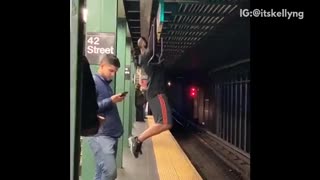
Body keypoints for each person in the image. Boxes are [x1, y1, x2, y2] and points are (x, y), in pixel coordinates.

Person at [128, 33, 173, 158]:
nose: (143, 44)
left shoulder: (146, 59)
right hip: (157, 93)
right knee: (165, 123)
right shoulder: (147, 57)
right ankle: (137, 140)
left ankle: (138, 140)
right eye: (142, 43)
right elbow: (149, 52)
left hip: (155, 92)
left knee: (165, 123)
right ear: (143, 45)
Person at [88, 54, 127, 180]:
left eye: (115, 72)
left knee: (100, 173)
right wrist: (111, 100)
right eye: (111, 71)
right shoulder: (93, 82)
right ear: (102, 65)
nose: (113, 74)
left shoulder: (104, 84)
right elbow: (90, 108)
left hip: (109, 135)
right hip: (101, 136)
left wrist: (112, 100)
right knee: (110, 173)